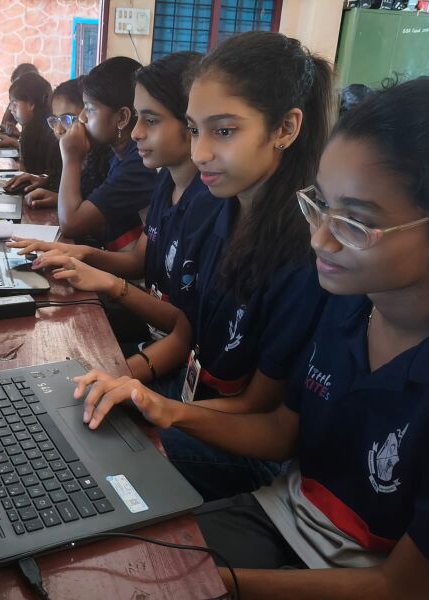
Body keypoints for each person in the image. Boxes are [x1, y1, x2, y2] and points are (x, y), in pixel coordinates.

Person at [79, 76, 429, 600]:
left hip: (363, 579)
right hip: (281, 514)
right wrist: (166, 410)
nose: (320, 239)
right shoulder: (349, 301)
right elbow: (281, 431)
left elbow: (399, 587)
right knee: (94, 549)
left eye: (356, 223)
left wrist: (199, 584)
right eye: (321, 205)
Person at [62, 32, 335, 501]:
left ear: (285, 129)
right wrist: (126, 380)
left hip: (238, 440)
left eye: (223, 131)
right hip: (188, 397)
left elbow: (258, 409)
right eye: (193, 129)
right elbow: (186, 328)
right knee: (73, 407)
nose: (200, 152)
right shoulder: (217, 206)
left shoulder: (304, 254)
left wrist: (161, 408)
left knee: (87, 460)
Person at [10, 52, 216, 344]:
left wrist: (110, 284)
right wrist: (77, 254)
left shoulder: (203, 200)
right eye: (139, 118)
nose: (137, 133)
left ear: (191, 124)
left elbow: (185, 332)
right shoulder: (165, 181)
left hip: (163, 337)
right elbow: (139, 260)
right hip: (153, 324)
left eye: (151, 120)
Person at [53, 56, 158, 251]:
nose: (82, 118)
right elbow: (94, 202)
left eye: (90, 109)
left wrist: (71, 159)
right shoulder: (118, 154)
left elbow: (71, 223)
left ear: (122, 118)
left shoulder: (140, 163)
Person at [5, 77, 112, 210]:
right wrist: (44, 181)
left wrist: (60, 199)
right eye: (55, 120)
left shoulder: (106, 162)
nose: (58, 130)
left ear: (88, 115)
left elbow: (83, 210)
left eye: (67, 119)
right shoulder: (64, 150)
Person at [5, 72, 61, 188]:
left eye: (14, 104)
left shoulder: (31, 134)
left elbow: (26, 178)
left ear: (31, 104)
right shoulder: (46, 125)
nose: (11, 109)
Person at [0, 63, 38, 149]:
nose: (15, 90)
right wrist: (18, 134)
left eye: (19, 87)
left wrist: (15, 143)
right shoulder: (24, 104)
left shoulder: (45, 115)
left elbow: (39, 151)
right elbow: (5, 125)